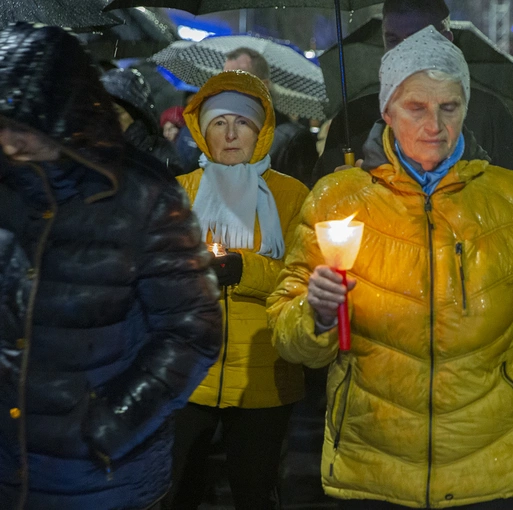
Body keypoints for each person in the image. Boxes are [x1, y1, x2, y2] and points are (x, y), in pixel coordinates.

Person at [268, 26, 513, 509]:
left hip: (494, 470)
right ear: (386, 111)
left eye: (450, 107)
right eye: (416, 108)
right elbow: (288, 335)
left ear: (466, 107)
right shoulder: (338, 201)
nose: (435, 126)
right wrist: (317, 314)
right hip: (375, 469)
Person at [0, 22, 222, 510]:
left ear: (63, 113)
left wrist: (109, 425)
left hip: (100, 480)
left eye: (24, 126)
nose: (10, 142)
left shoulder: (144, 196)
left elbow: (193, 329)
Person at [166, 70, 309, 510]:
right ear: (203, 131)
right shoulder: (179, 192)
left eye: (242, 122)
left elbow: (300, 277)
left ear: (260, 129)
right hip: (189, 375)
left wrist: (244, 269)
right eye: (219, 123)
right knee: (176, 493)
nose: (231, 135)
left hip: (264, 378)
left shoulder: (290, 195)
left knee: (255, 493)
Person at [312, 0, 513, 185]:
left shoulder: (490, 114)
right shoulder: (353, 118)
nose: (403, 51)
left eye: (416, 39)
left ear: (446, 40)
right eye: (393, 40)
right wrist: (341, 194)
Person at [223, 47, 318, 187]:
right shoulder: (225, 135)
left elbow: (302, 201)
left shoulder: (294, 139)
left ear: (263, 86)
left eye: (238, 81)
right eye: (224, 81)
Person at [101, 68, 184, 176]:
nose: (109, 119)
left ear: (136, 113)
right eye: (103, 112)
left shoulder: (162, 154)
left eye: (117, 113)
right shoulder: (99, 152)